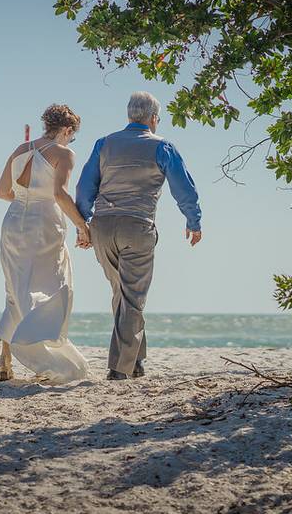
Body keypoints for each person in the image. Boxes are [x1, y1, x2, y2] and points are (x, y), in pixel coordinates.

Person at [76, 91, 202, 380]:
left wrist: (83, 225)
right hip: (137, 225)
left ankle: (135, 362)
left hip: (103, 226)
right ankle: (119, 369)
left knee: (122, 294)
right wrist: (193, 220)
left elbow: (85, 188)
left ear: (129, 115)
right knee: (132, 297)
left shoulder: (104, 143)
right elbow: (183, 188)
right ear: (153, 118)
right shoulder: (162, 147)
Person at [0, 104, 91, 383]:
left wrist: (26, 201)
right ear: (68, 130)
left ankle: (6, 358)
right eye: (72, 135)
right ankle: (34, 349)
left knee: (16, 287)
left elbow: (1, 192)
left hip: (12, 222)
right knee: (54, 287)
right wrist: (82, 225)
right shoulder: (64, 153)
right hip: (43, 225)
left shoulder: (19, 151)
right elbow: (59, 194)